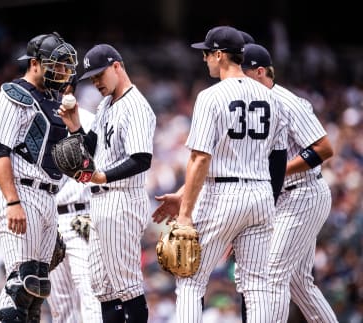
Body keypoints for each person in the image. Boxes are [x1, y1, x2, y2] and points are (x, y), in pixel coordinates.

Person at [151, 25, 289, 323]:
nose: (204, 59)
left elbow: (200, 158)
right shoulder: (272, 97)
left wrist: (186, 213)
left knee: (189, 280)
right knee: (256, 286)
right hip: (262, 193)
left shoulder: (210, 97)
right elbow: (278, 157)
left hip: (223, 194)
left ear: (219, 55)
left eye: (207, 54)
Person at [57, 43, 156, 323]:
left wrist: (103, 176)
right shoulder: (105, 105)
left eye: (101, 74)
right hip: (100, 201)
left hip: (122, 199)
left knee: (126, 285)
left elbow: (141, 159)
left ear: (117, 66)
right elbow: (94, 148)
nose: (97, 82)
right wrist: (76, 127)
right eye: (92, 78)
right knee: (102, 286)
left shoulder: (135, 105)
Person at [239, 43, 337, 323]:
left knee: (272, 274)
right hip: (289, 197)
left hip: (303, 195)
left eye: (242, 73)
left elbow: (323, 148)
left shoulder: (286, 101)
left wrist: (279, 171)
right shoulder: (257, 103)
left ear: (259, 73)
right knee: (299, 283)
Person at [0, 32, 78, 323]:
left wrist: (75, 124)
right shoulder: (14, 96)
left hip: (47, 196)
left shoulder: (56, 101)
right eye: (57, 66)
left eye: (66, 67)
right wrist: (13, 202)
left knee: (37, 291)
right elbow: (0, 152)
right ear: (36, 64)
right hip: (20, 193)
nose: (62, 72)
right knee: (20, 284)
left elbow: (77, 158)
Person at [46, 106, 103, 322]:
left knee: (90, 292)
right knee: (60, 304)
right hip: (50, 219)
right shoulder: (37, 117)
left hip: (82, 214)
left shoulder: (89, 120)